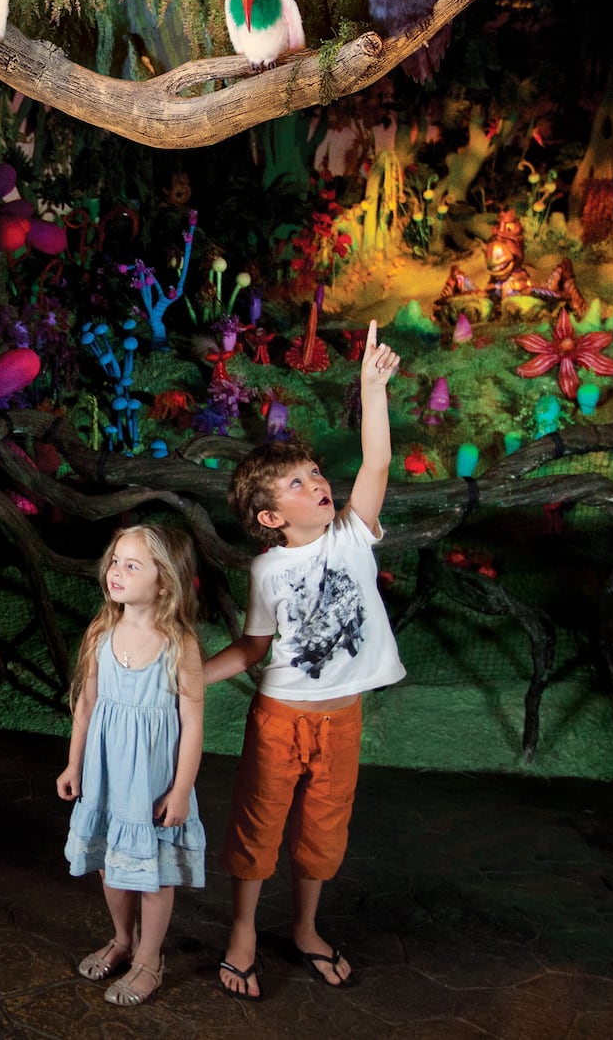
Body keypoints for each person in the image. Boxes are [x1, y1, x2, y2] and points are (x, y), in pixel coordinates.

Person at [205, 319, 405, 1000]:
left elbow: (375, 465)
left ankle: (306, 928)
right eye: (295, 483)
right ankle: (242, 932)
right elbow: (252, 648)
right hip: (279, 719)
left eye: (314, 472)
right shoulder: (266, 571)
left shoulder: (352, 534)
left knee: (324, 829)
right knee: (258, 824)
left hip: (342, 720)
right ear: (269, 518)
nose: (316, 482)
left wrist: (371, 389)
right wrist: (191, 675)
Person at [56, 523, 209, 1008]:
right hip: (106, 775)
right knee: (110, 864)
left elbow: (193, 723)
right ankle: (123, 940)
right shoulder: (101, 631)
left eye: (132, 565)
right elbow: (86, 704)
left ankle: (149, 958)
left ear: (164, 582)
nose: (116, 572)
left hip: (151, 781)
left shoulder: (179, 644)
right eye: (115, 561)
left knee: (154, 870)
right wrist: (74, 764)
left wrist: (180, 790)